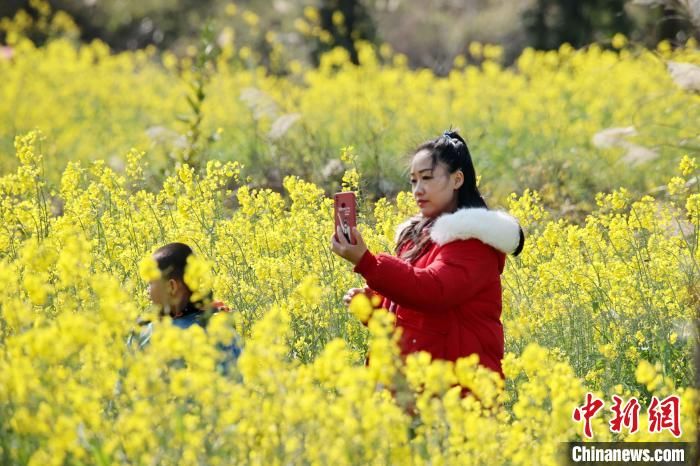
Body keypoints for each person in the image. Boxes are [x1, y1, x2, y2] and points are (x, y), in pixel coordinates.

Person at [330, 130, 524, 378]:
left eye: (427, 178)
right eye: (413, 181)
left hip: (459, 391)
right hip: (419, 385)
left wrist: (367, 263)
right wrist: (375, 307)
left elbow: (433, 290)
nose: (418, 190)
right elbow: (418, 314)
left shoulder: (473, 242)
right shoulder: (419, 237)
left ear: (457, 180)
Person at [131, 242, 241, 368]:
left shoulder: (147, 336)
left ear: (171, 287)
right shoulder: (223, 327)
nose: (147, 291)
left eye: (151, 283)